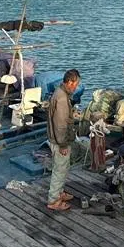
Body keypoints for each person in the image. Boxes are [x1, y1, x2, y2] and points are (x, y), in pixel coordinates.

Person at [47, 69, 83, 211]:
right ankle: (53, 200)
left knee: (62, 168)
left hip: (56, 139)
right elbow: (61, 125)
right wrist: (62, 144)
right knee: (59, 170)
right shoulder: (61, 99)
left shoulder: (60, 93)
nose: (76, 87)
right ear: (69, 82)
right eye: (76, 84)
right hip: (59, 142)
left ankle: (59, 192)